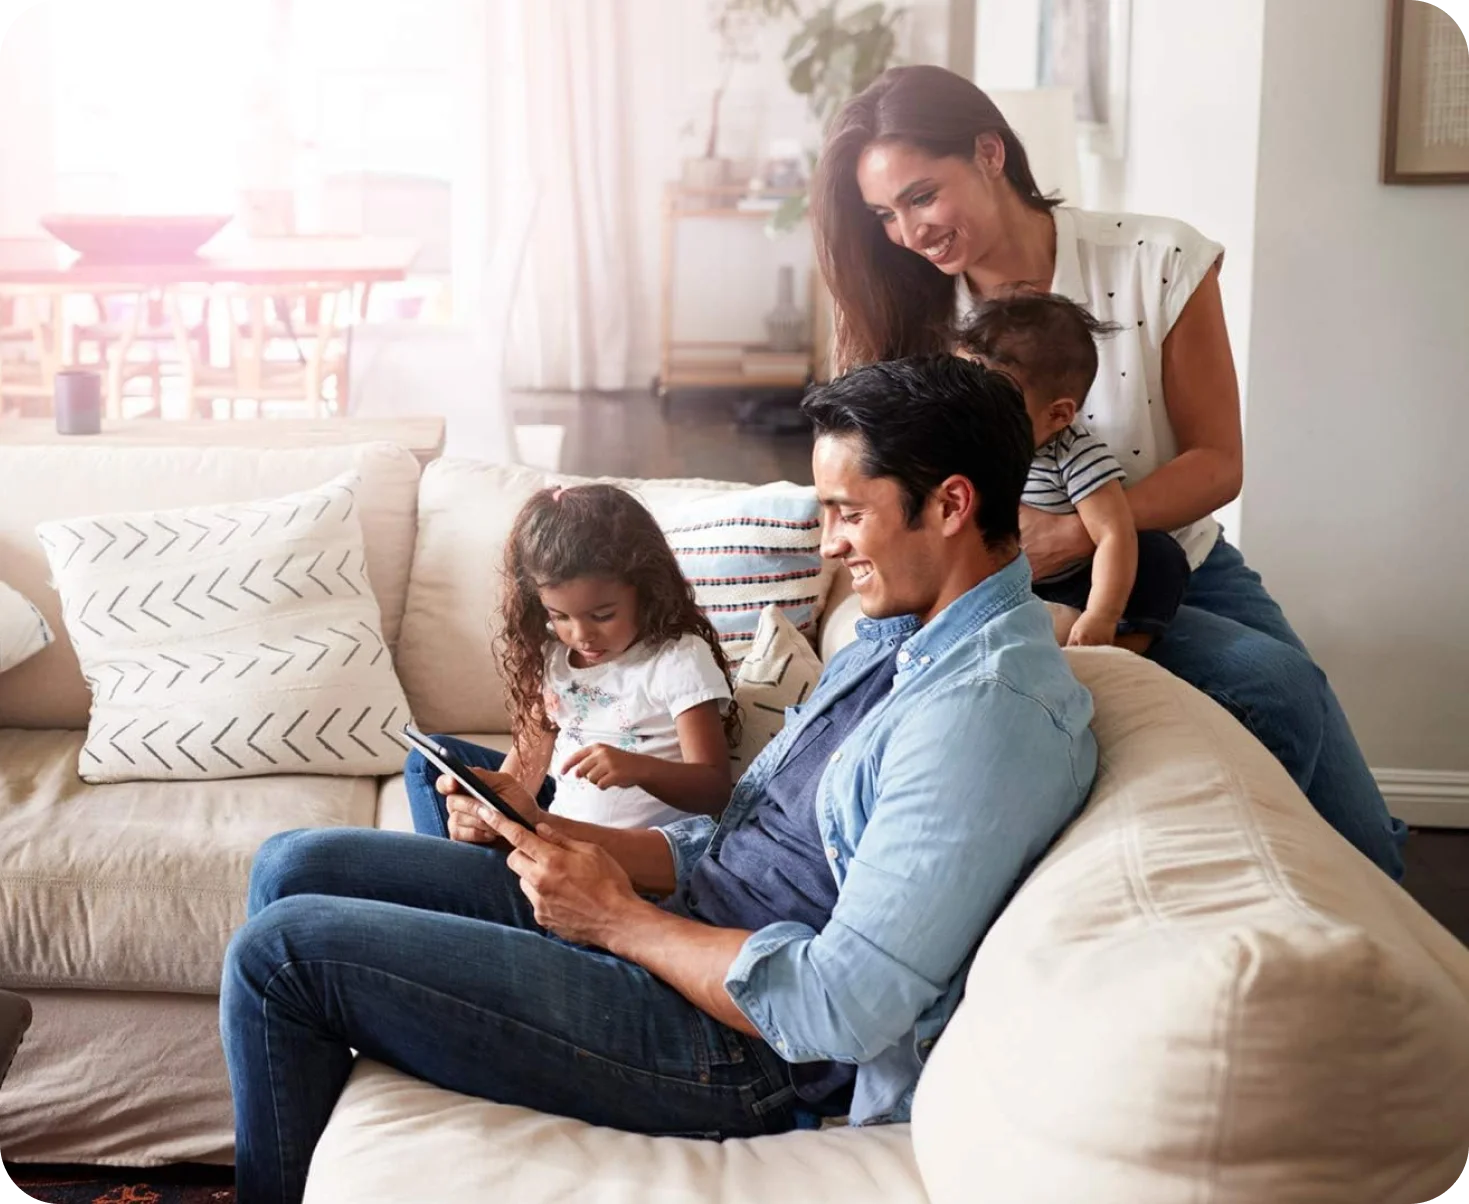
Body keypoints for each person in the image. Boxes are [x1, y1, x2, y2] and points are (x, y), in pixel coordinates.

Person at [220, 355, 1097, 1204]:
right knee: (293, 863)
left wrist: (615, 919)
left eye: (846, 513)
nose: (830, 545)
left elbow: (842, 1006)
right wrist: (549, 831)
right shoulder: (891, 642)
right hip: (682, 929)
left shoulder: (981, 716)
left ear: (949, 505)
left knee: (282, 954)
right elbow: (733, 837)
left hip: (738, 1046)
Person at [811, 63, 1407, 879]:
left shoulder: (1155, 259)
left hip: (1175, 554)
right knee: (1270, 686)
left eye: (921, 196)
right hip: (1014, 586)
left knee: (1353, 819)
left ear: (990, 153)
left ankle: (1340, 907)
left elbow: (1216, 462)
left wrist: (1073, 530)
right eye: (884, 213)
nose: (908, 234)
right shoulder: (911, 312)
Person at [409, 483, 737, 834]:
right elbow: (522, 776)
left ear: (646, 590)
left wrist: (639, 768)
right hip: (555, 835)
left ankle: (458, 876)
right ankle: (462, 868)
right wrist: (490, 817)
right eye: (560, 616)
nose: (581, 635)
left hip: (627, 860)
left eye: (603, 615)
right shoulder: (555, 657)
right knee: (427, 762)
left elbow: (715, 790)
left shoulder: (677, 659)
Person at [954, 291, 1190, 653]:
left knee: (1157, 554)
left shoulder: (1073, 453)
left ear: (1057, 415)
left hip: (1074, 584)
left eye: (994, 404)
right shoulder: (964, 444)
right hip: (1001, 582)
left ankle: (1125, 646)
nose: (971, 416)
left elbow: (1113, 532)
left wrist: (1101, 613)